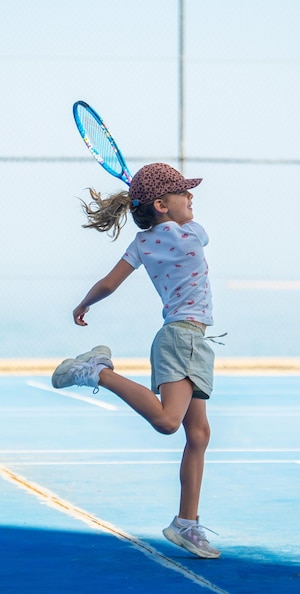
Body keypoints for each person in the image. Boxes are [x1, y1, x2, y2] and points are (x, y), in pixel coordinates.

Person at [51, 163, 222, 559]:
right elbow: (189, 229)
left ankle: (186, 523)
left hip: (192, 339)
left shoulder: (142, 244)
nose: (191, 198)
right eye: (184, 193)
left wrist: (83, 303)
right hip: (182, 338)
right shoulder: (195, 234)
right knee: (168, 422)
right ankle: (96, 371)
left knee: (198, 435)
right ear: (161, 204)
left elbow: (110, 282)